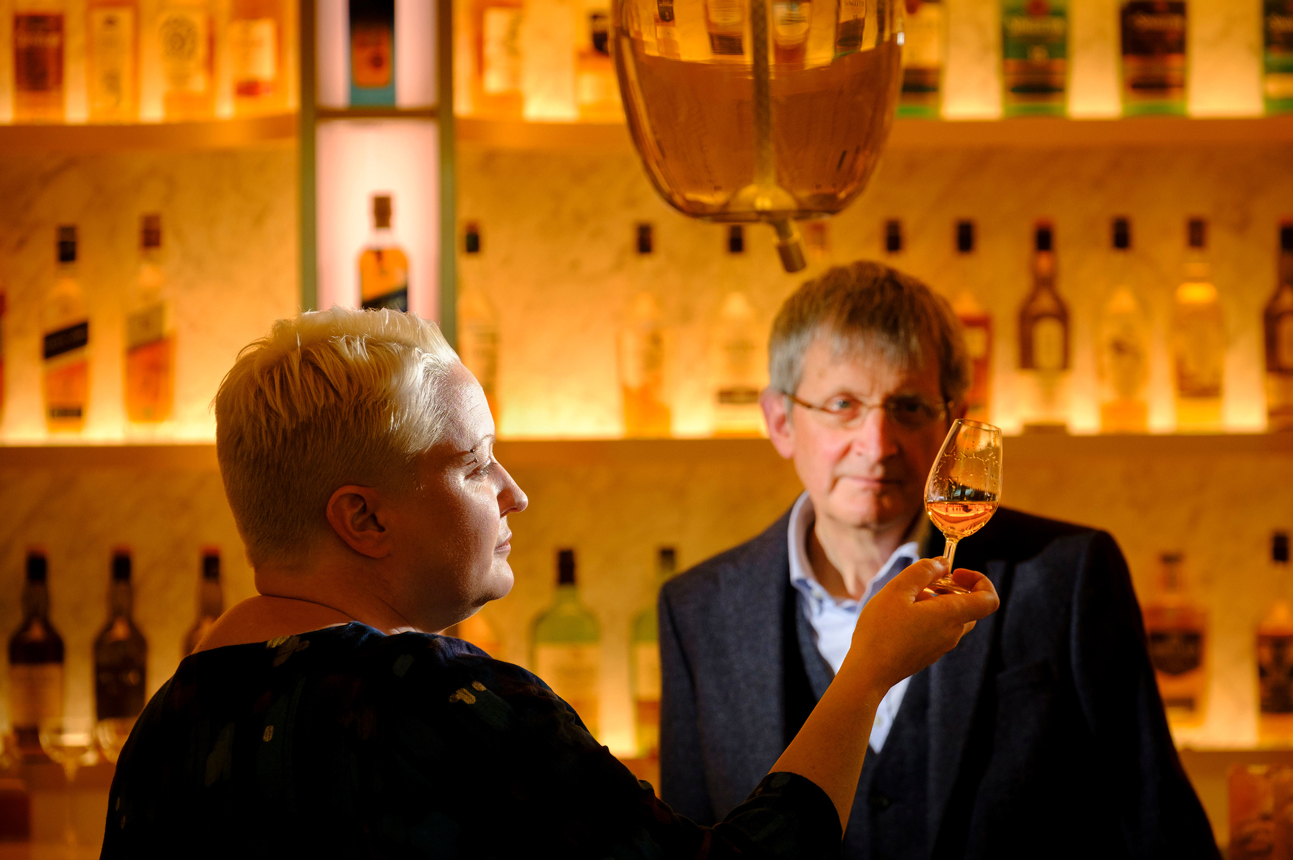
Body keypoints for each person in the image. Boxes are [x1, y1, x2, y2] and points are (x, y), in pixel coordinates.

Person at [100, 307, 998, 858]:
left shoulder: (165, 726)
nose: (513, 493)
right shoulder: (448, 703)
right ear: (363, 519)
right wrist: (867, 674)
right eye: (475, 463)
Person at [658, 262, 1219, 859]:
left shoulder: (1068, 575)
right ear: (780, 421)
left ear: (954, 422)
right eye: (844, 404)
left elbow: (1160, 830)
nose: (877, 444)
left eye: (908, 407)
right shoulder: (697, 611)